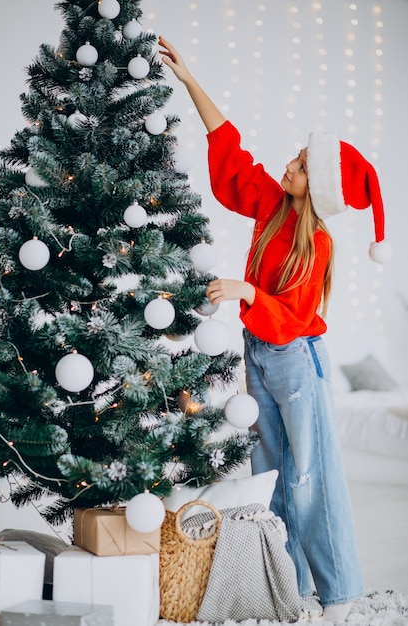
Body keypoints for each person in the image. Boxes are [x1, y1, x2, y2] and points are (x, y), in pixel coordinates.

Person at [158, 35, 391, 623]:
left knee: (312, 480)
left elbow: (289, 317)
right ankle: (294, 587)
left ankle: (339, 598)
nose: (288, 165)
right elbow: (231, 157)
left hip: (295, 359)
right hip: (258, 353)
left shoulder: (320, 244)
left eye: (301, 165)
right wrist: (190, 82)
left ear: (319, 185)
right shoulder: (271, 205)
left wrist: (245, 292)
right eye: (295, 159)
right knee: (271, 476)